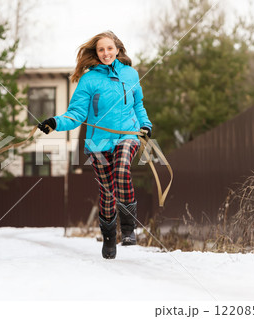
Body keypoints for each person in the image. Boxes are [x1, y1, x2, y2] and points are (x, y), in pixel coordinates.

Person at [38, 31, 152, 259]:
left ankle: (129, 230)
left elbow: (138, 104)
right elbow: (77, 113)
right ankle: (109, 238)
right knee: (107, 192)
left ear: (117, 49)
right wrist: (55, 123)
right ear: (96, 53)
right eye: (101, 50)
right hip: (98, 142)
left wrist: (145, 125)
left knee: (122, 171)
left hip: (127, 135)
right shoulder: (89, 80)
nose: (106, 53)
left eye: (110, 48)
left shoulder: (130, 74)